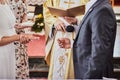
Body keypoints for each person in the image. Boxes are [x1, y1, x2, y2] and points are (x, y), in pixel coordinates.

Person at [58, 0, 117, 79]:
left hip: (92, 74)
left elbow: (99, 52)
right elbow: (92, 37)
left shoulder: (103, 10)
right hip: (86, 71)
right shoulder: (95, 6)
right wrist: (72, 44)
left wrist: (89, 77)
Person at [43, 0, 88, 79]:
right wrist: (55, 22)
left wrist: (77, 21)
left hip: (77, 35)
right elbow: (47, 11)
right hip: (59, 34)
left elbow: (90, 13)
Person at [0, 0, 39, 79]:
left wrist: (21, 36)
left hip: (9, 49)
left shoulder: (4, 3)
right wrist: (18, 37)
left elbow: (7, 28)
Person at [9, 0, 29, 79]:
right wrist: (13, 25)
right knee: (13, 59)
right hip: (10, 33)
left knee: (21, 58)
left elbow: (25, 17)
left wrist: (23, 24)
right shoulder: (6, 1)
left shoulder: (24, 1)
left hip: (21, 33)